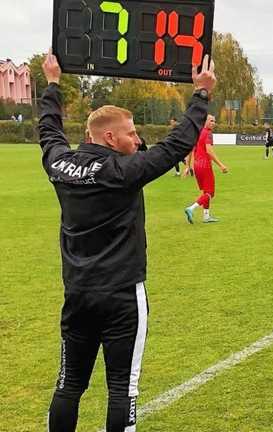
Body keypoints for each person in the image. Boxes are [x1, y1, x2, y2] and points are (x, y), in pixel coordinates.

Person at [38, 51, 216, 432]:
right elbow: (174, 147)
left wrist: (52, 84)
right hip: (121, 295)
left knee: (69, 385)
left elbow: (48, 132)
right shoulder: (121, 172)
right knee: (123, 387)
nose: (138, 139)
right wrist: (200, 96)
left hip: (78, 294)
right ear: (108, 137)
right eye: (131, 133)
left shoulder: (60, 165)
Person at [184, 115, 228, 223]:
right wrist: (221, 165)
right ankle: (191, 208)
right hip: (205, 166)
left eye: (214, 121)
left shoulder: (198, 133)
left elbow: (191, 150)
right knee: (210, 193)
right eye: (211, 121)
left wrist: (187, 166)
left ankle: (206, 216)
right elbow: (209, 151)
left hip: (197, 165)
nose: (213, 123)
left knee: (206, 192)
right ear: (205, 121)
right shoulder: (208, 133)